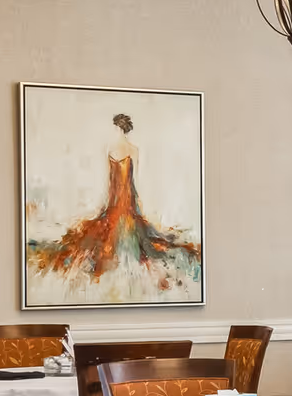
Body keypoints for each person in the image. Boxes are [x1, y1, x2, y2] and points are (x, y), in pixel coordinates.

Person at [28, 112, 202, 296]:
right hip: (126, 195)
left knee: (110, 226)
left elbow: (109, 180)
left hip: (116, 195)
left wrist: (106, 202)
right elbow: (136, 178)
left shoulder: (109, 148)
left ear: (118, 128)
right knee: (128, 226)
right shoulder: (134, 150)